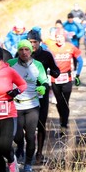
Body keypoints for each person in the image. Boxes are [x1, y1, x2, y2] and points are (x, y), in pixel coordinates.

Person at [8, 40, 49, 172]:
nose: (24, 52)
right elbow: (3, 78)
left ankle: (27, 165)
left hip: (32, 105)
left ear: (31, 51)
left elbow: (45, 81)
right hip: (16, 105)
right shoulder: (11, 64)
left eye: (27, 49)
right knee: (17, 136)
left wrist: (43, 87)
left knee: (30, 136)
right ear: (18, 51)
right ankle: (20, 146)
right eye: (21, 50)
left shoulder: (38, 65)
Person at [27, 30, 60, 164]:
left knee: (41, 124)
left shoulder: (46, 55)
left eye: (35, 42)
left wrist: (50, 72)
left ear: (40, 42)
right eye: (30, 42)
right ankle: (28, 149)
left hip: (42, 94)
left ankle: (39, 153)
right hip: (27, 94)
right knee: (27, 126)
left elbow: (57, 72)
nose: (32, 45)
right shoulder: (21, 54)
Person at [46, 28, 83, 137]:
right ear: (55, 38)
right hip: (55, 79)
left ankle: (63, 124)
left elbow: (80, 60)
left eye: (61, 37)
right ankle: (63, 120)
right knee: (59, 102)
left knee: (65, 102)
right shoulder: (51, 48)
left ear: (64, 37)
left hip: (67, 78)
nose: (59, 39)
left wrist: (78, 74)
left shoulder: (70, 47)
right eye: (57, 37)